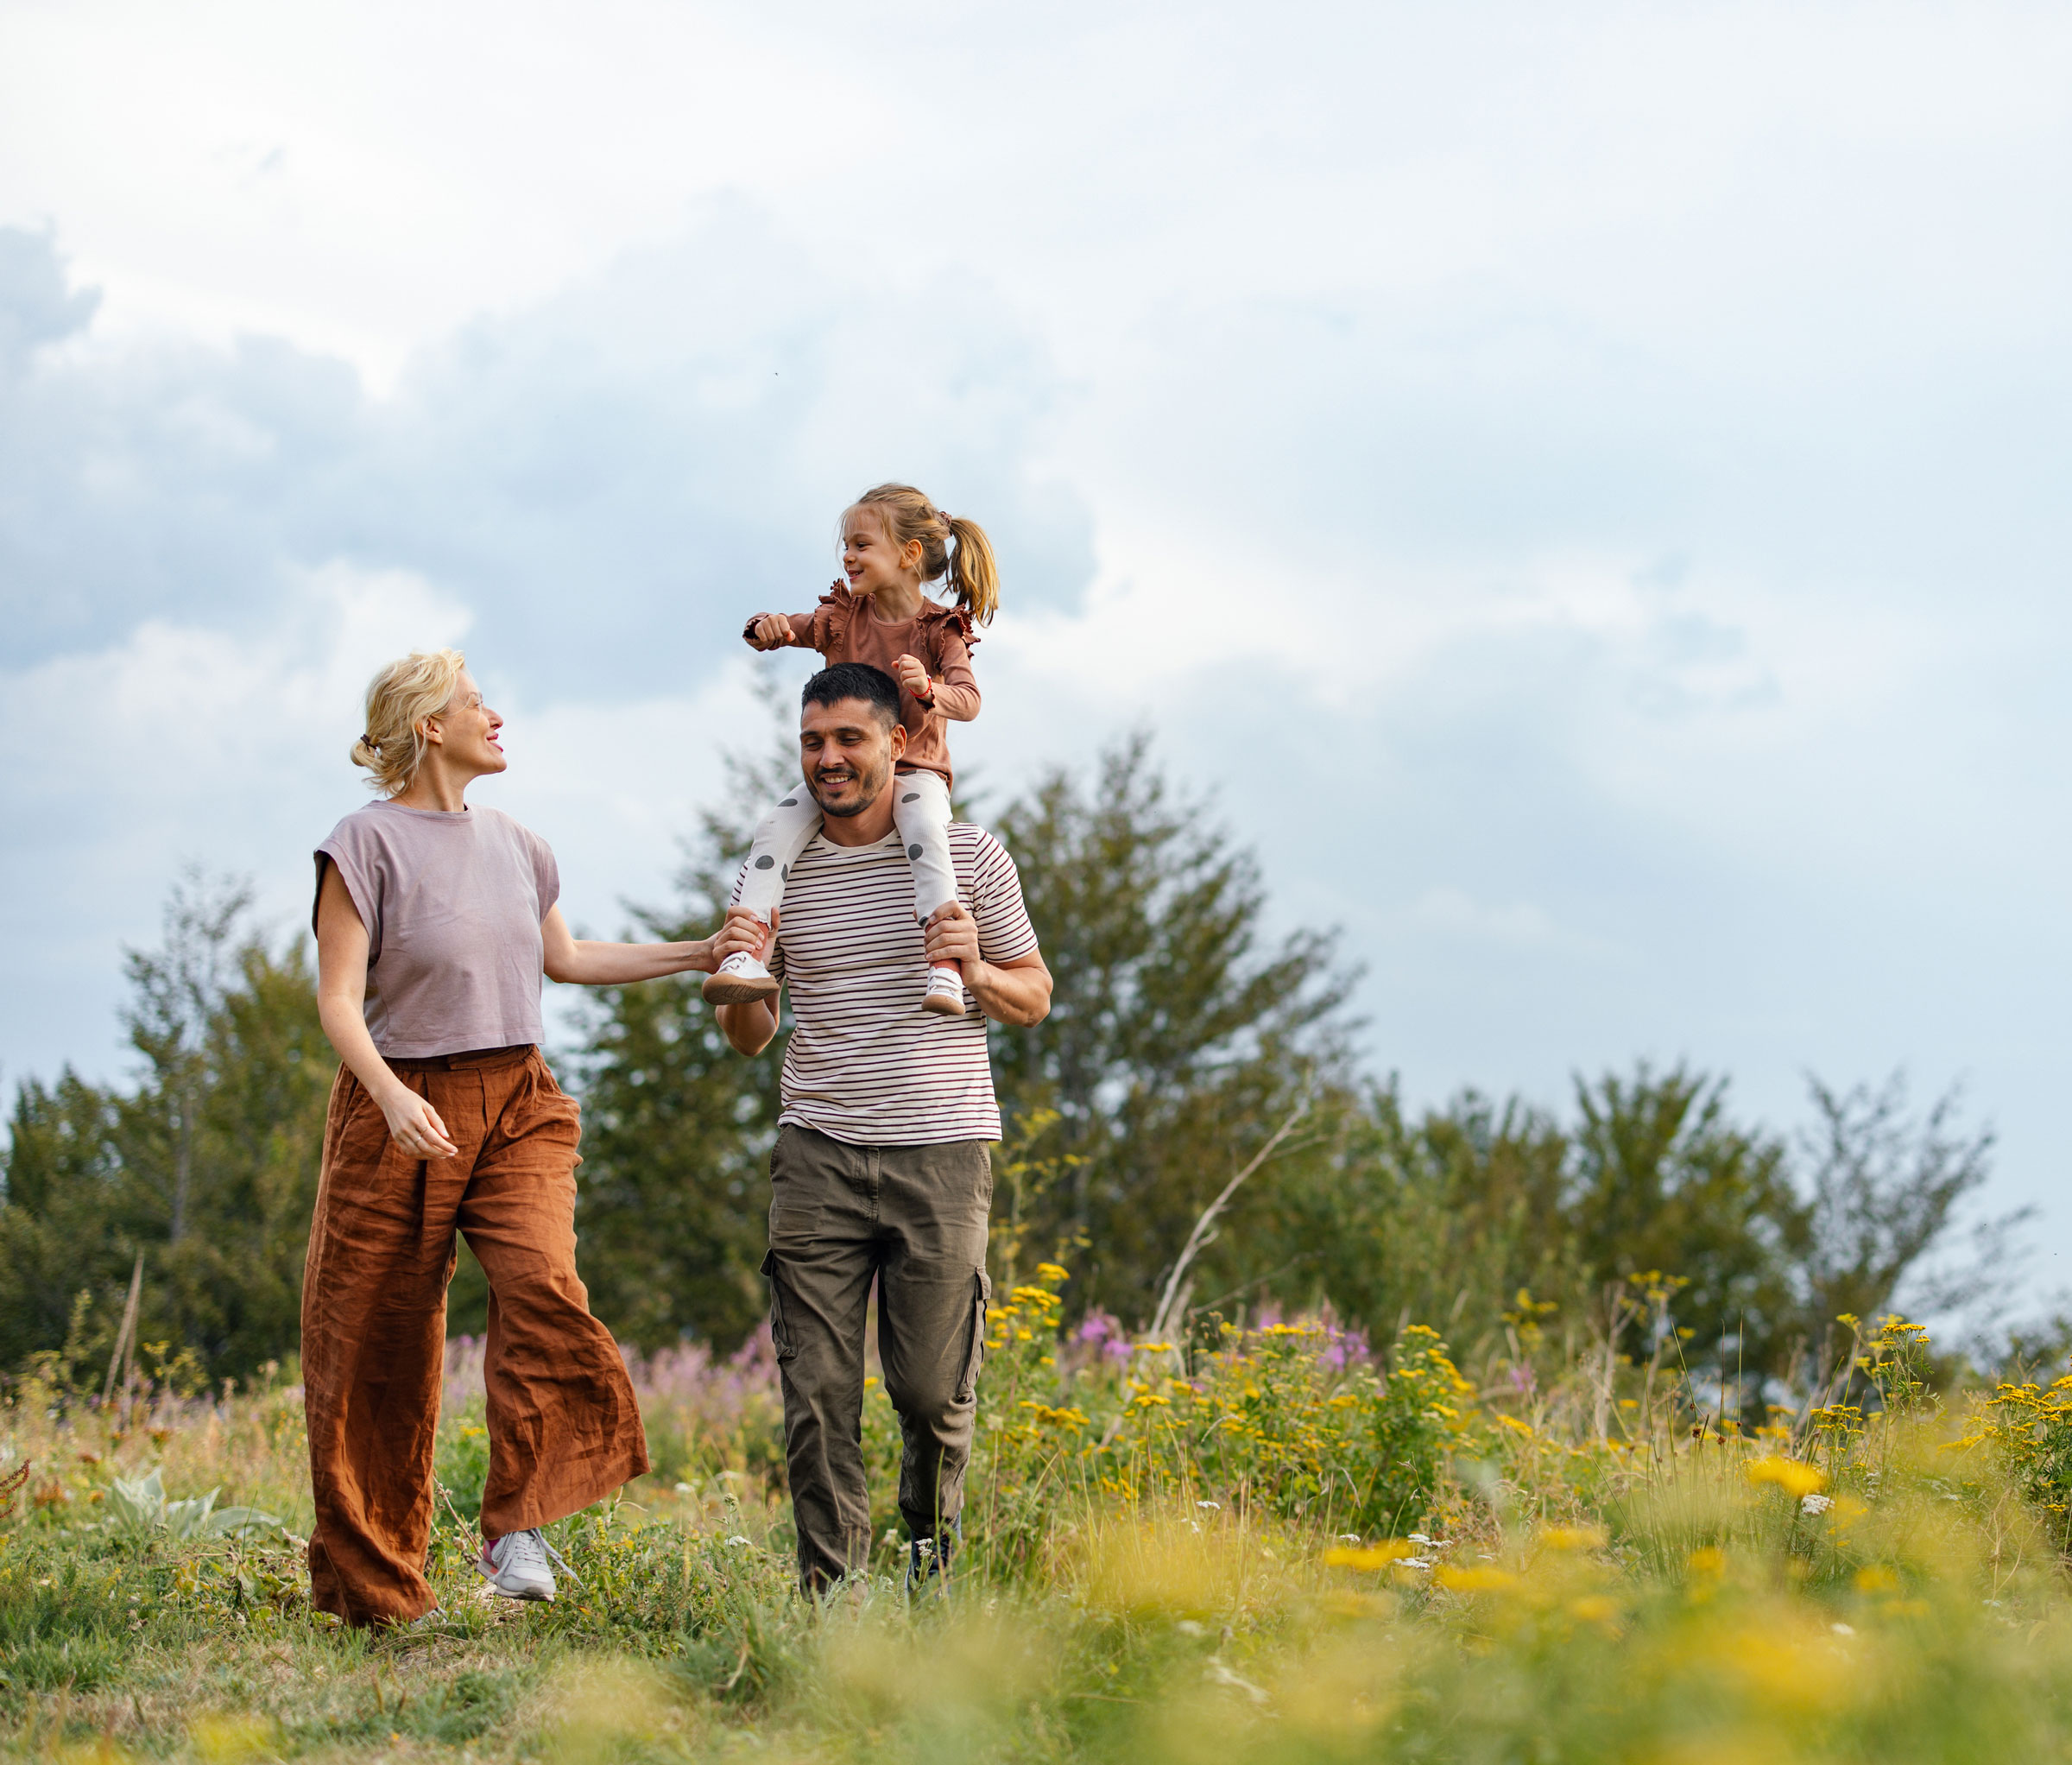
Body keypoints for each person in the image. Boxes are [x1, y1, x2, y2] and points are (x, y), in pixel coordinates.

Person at [305, 647, 760, 1626]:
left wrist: (701, 951)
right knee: (372, 1347)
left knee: (543, 1285)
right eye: (476, 703)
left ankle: (519, 1524)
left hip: (518, 1100)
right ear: (429, 724)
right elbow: (339, 1001)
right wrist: (387, 1096)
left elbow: (570, 956)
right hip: (400, 1110)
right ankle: (376, 1591)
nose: (495, 715)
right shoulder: (362, 843)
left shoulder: (518, 841)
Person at [714, 660, 1052, 1593]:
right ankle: (834, 1598)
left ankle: (927, 1563)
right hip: (817, 1149)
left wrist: (976, 972)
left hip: (941, 1151)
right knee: (817, 1392)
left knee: (930, 1393)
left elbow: (1034, 996)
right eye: (813, 742)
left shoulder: (969, 857)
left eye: (848, 739)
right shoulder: (775, 867)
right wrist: (745, 974)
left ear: (897, 744)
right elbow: (748, 1037)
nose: (829, 759)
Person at [704, 483, 999, 1017]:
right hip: (848, 774)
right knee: (774, 827)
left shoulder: (939, 629)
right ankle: (745, 955)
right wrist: (766, 629)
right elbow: (791, 627)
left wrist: (930, 691)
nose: (848, 556)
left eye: (862, 545)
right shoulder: (845, 617)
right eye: (846, 545)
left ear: (908, 555)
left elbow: (970, 700)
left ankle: (946, 966)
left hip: (917, 770)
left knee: (926, 832)